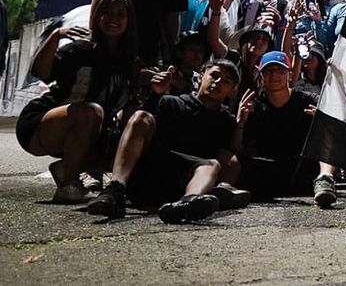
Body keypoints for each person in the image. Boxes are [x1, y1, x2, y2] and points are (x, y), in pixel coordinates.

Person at [17, 0, 139, 203]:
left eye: (121, 14)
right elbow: (40, 71)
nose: (114, 19)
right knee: (92, 111)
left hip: (91, 130)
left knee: (131, 133)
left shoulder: (129, 61)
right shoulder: (81, 49)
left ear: (129, 21)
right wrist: (55, 36)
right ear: (98, 17)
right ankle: (69, 184)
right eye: (108, 13)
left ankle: (68, 168)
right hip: (42, 124)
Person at [88, 60, 240, 223]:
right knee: (141, 117)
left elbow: (231, 155)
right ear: (201, 76)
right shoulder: (170, 102)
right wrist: (156, 93)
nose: (217, 82)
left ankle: (187, 204)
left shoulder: (227, 121)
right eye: (214, 75)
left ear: (232, 91)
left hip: (181, 184)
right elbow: (138, 127)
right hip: (148, 174)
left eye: (226, 81)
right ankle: (114, 190)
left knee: (212, 165)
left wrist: (241, 125)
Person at [234, 51, 340, 208]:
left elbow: (335, 131)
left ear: (290, 75)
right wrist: (240, 123)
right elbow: (238, 148)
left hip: (304, 167)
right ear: (261, 76)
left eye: (280, 70)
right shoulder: (252, 105)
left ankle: (325, 179)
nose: (274, 75)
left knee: (327, 129)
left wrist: (322, 120)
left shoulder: (309, 100)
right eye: (269, 71)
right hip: (267, 168)